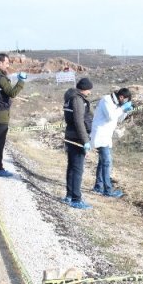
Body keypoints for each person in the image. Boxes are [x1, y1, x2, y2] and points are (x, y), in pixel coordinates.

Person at [90, 88, 133, 197]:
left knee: (102, 162)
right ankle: (108, 191)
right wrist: (122, 108)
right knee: (107, 162)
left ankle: (98, 187)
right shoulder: (106, 100)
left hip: (106, 137)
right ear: (122, 97)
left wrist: (126, 111)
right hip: (100, 135)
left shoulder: (117, 104)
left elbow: (118, 119)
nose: (125, 103)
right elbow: (111, 116)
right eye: (126, 101)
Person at [63, 77, 94, 209]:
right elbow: (79, 121)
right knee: (77, 169)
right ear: (84, 89)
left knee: (72, 167)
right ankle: (76, 198)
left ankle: (69, 195)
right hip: (77, 138)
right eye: (89, 90)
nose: (90, 93)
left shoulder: (71, 97)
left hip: (71, 136)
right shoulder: (77, 99)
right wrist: (85, 140)